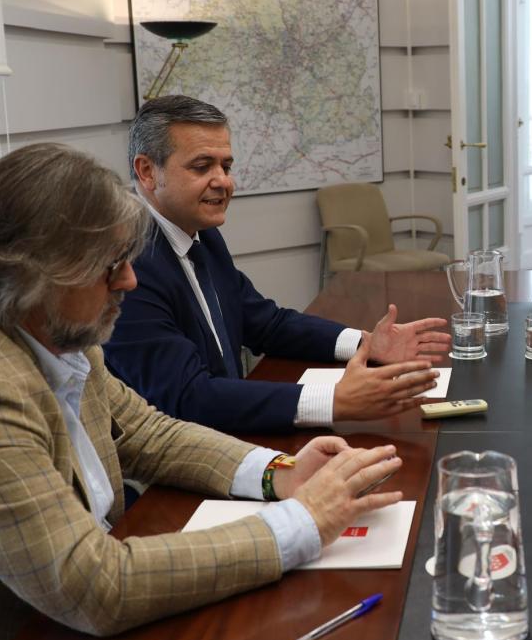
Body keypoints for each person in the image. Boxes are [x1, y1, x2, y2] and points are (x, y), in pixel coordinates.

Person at [0, 144, 404, 640]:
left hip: (64, 633)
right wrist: (304, 521)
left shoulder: (51, 331)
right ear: (35, 273)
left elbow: (147, 433)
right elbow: (94, 585)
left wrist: (281, 472)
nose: (130, 281)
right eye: (110, 265)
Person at [103, 95, 450, 435]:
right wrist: (333, 400)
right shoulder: (129, 266)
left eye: (226, 166)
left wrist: (366, 343)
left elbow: (266, 323)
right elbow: (187, 398)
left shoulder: (201, 235)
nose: (222, 181)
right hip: (168, 470)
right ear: (147, 171)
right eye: (201, 166)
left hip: (230, 436)